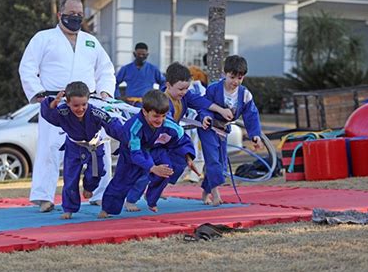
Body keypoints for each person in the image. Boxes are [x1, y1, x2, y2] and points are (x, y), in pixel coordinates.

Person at [18, 0, 116, 212]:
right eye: (71, 13)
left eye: (79, 15)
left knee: (99, 147)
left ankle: (100, 194)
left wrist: (105, 91)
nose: (75, 17)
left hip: (88, 103)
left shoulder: (90, 41)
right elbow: (27, 67)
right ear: (59, 14)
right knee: (49, 148)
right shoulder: (43, 38)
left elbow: (106, 69)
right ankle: (44, 197)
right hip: (56, 102)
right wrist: (40, 95)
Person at [124, 62, 234, 211]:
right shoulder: (160, 100)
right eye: (181, 89)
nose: (184, 92)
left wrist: (220, 110)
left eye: (186, 88)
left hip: (169, 139)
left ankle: (156, 191)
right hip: (150, 140)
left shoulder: (185, 96)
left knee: (177, 164)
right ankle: (131, 200)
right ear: (168, 85)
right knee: (146, 170)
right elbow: (166, 123)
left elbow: (201, 102)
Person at [98, 89, 195, 218]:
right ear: (145, 112)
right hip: (132, 151)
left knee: (166, 169)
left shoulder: (170, 125)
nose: (160, 120)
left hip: (156, 149)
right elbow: (136, 154)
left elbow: (182, 141)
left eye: (163, 116)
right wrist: (152, 167)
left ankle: (152, 200)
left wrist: (188, 158)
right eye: (156, 116)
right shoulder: (134, 127)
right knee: (122, 181)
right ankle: (107, 209)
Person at [40, 82, 122, 219]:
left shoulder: (95, 112)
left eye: (84, 104)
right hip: (73, 147)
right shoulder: (63, 112)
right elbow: (49, 115)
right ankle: (69, 208)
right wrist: (54, 103)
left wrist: (125, 137)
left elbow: (111, 124)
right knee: (70, 178)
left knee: (97, 172)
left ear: (88, 100)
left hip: (94, 147)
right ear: (68, 102)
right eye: (76, 105)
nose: (80, 109)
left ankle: (89, 187)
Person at [197, 55, 262, 206]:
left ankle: (205, 191)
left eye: (240, 78)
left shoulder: (244, 94)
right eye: (232, 77)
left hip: (223, 130)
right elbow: (204, 105)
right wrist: (205, 117)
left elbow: (251, 114)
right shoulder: (214, 88)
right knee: (213, 160)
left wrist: (255, 135)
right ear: (224, 73)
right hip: (208, 128)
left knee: (222, 164)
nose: (235, 82)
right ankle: (215, 193)